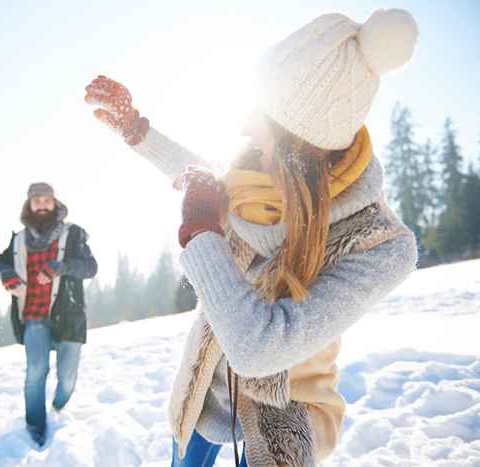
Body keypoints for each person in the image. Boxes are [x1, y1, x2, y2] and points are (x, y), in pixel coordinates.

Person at [85, 9, 419, 467]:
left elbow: (258, 350)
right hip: (209, 385)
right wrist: (137, 131)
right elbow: (196, 170)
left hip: (287, 411)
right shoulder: (255, 177)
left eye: (262, 121)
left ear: (300, 140)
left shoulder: (376, 244)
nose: (247, 128)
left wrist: (201, 235)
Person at [0, 182, 97, 447]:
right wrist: (5, 273)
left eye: (46, 199)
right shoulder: (19, 239)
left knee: (68, 379)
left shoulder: (73, 234)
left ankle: (59, 409)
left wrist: (61, 267)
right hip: (33, 315)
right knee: (36, 370)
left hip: (69, 316)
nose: (41, 205)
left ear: (54, 202)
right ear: (29, 204)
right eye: (36, 200)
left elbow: (90, 267)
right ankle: (35, 426)